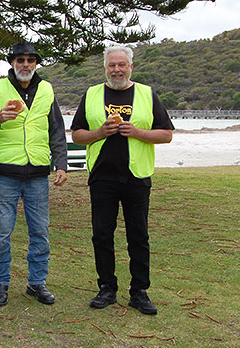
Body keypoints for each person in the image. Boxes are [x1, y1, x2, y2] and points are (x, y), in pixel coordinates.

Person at [70, 46, 174, 315]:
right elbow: (77, 136)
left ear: (131, 67)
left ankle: (139, 291)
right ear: (105, 67)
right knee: (102, 234)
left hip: (137, 176)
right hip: (102, 176)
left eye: (122, 65)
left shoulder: (147, 94)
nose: (117, 69)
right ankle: (107, 287)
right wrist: (100, 132)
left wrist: (137, 132)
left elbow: (166, 135)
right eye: (112, 65)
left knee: (138, 235)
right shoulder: (92, 94)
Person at [0, 42, 67, 306]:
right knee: (3, 232)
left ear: (36, 63)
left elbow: (57, 131)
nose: (25, 64)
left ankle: (36, 283)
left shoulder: (47, 90)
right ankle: (0, 283)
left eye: (30, 60)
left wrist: (60, 165)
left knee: (40, 232)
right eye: (20, 60)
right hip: (6, 172)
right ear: (12, 63)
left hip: (38, 172)